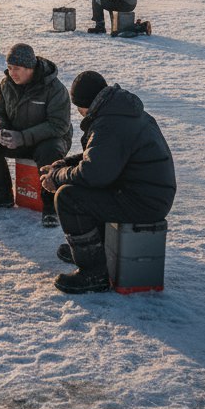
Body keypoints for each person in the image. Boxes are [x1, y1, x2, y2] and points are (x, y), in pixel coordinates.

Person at [41, 71, 176, 294]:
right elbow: (100, 159)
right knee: (82, 188)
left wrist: (57, 178)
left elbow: (94, 174)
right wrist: (62, 164)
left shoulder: (109, 123)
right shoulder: (118, 112)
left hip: (143, 202)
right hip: (146, 194)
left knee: (69, 197)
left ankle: (94, 272)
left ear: (84, 104)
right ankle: (92, 249)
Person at [0, 43, 72, 227]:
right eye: (9, 68)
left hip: (48, 141)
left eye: (16, 69)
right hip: (17, 139)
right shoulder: (6, 84)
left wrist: (23, 137)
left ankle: (51, 205)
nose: (12, 73)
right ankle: (2, 194)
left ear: (30, 68)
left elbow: (59, 125)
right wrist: (0, 129)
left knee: (50, 149)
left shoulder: (54, 88)